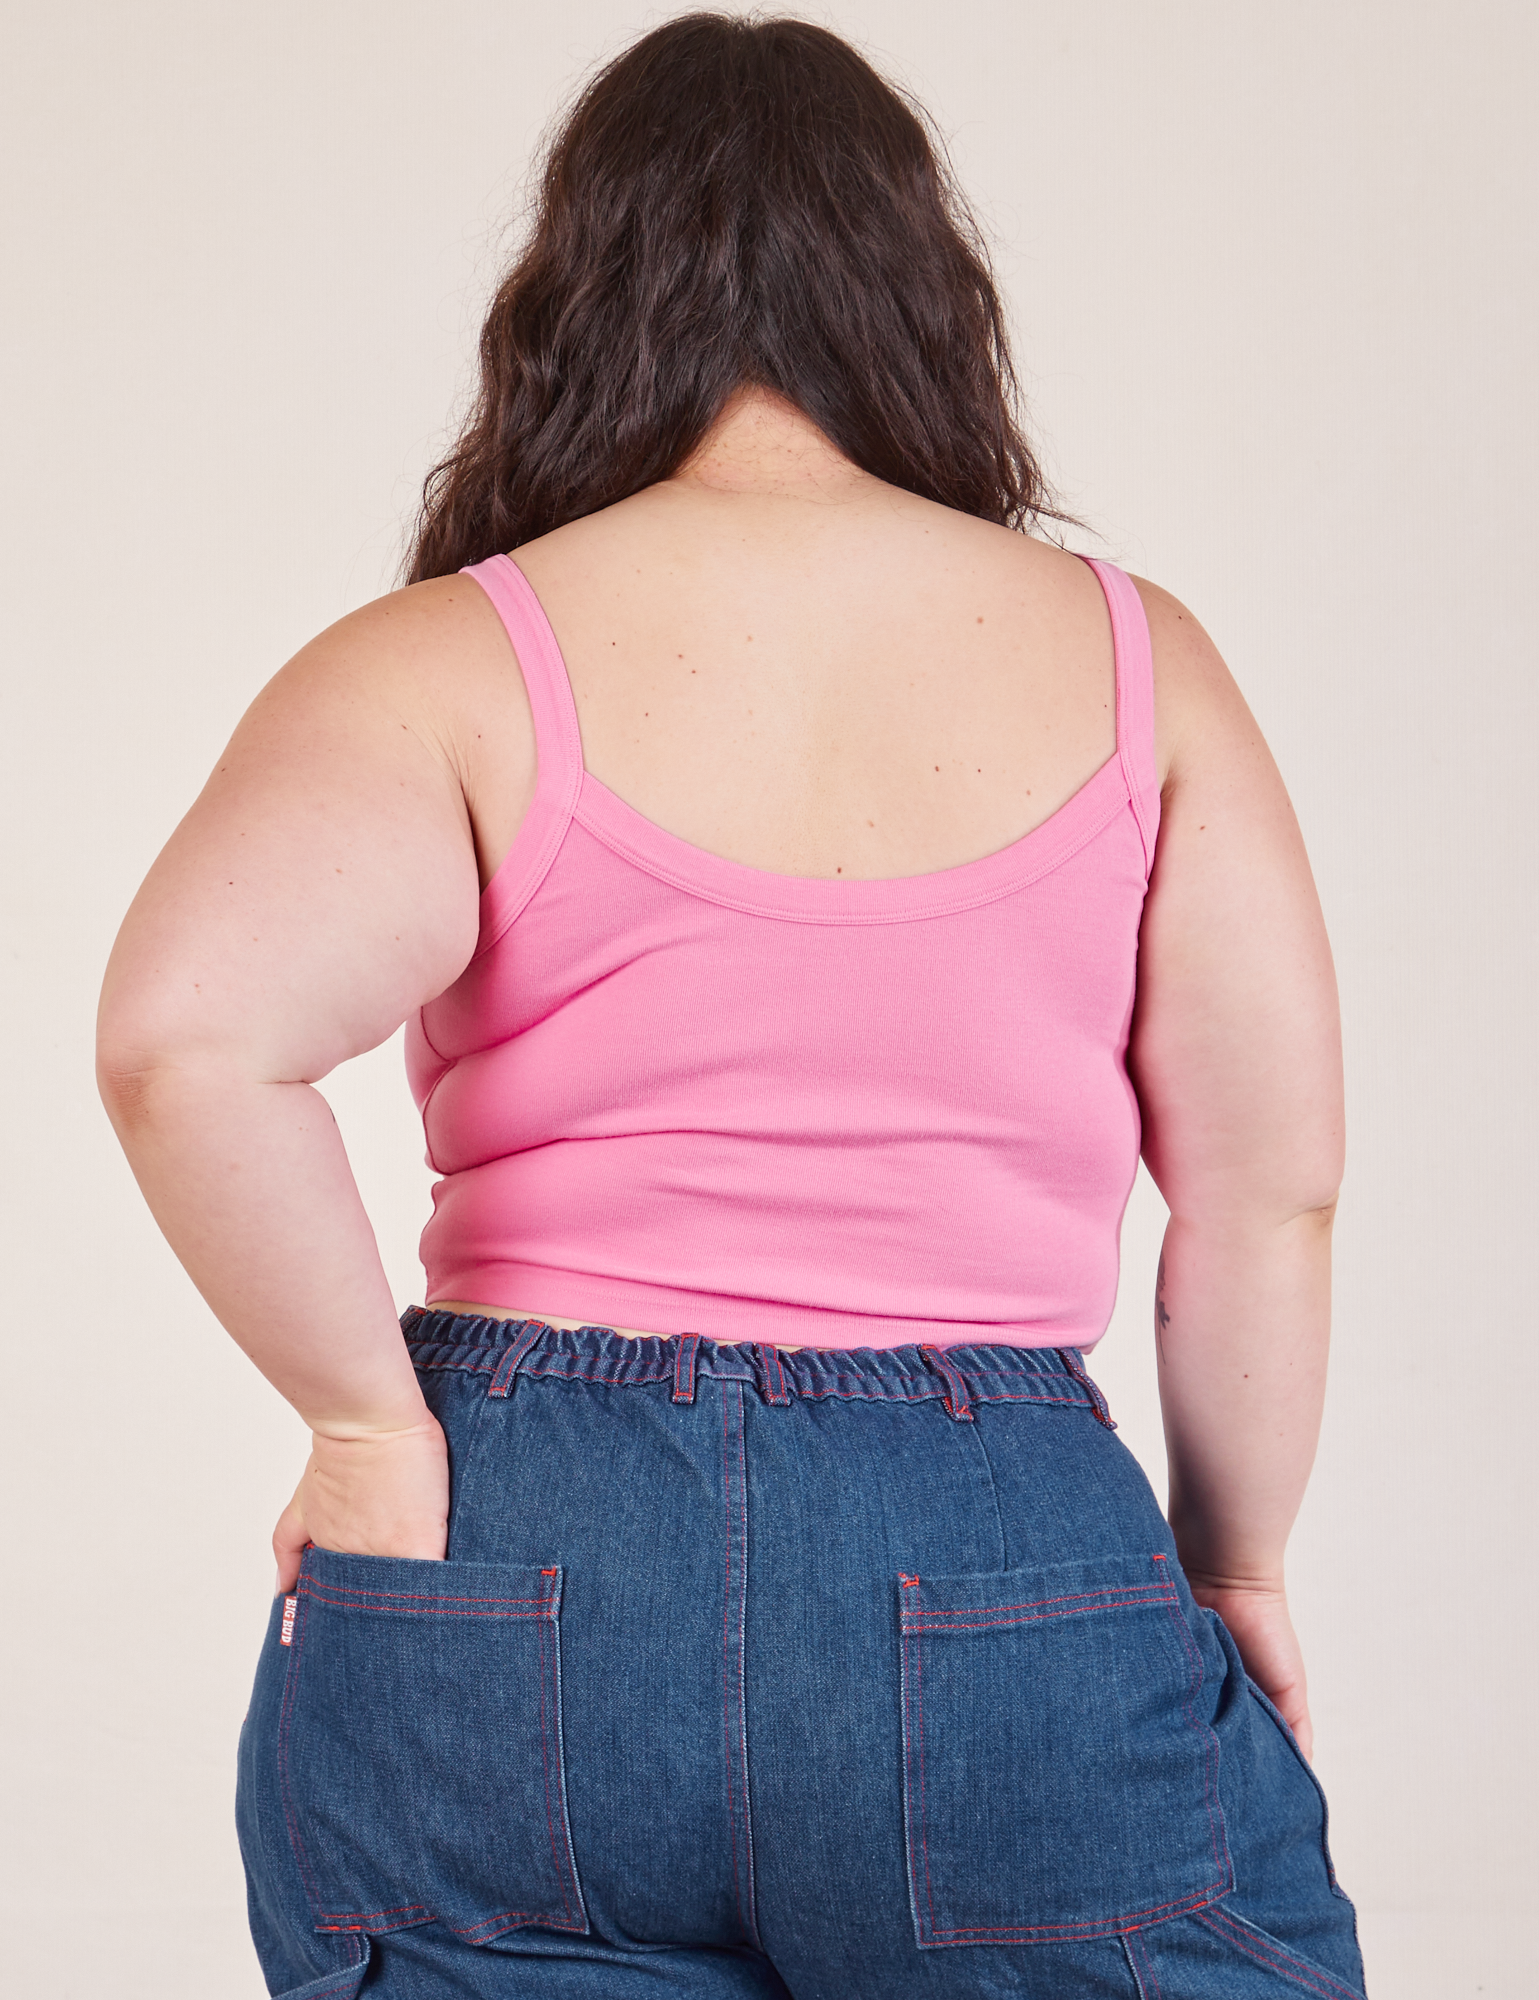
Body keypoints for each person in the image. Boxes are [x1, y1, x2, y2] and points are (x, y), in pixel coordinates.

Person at [97, 15, 1364, 1999]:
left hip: (512, 1541)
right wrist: (1231, 1564)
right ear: (921, 296)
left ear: (574, 295)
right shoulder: (1137, 663)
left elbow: (185, 1038)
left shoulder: (450, 660)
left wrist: (361, 1422)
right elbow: (1265, 1189)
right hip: (999, 1556)